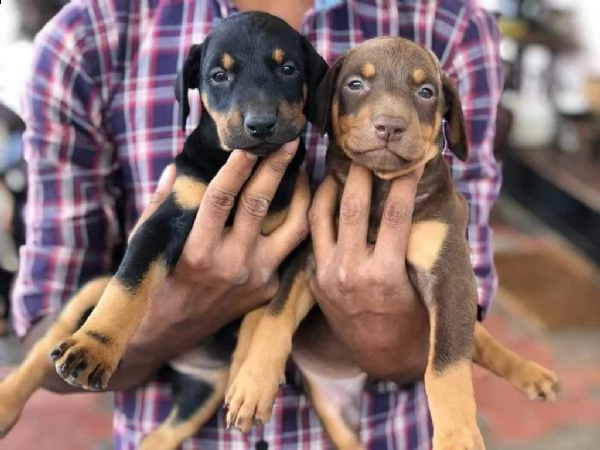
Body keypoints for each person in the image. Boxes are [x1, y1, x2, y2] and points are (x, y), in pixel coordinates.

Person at [12, 0, 503, 448]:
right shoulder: (85, 36)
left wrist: (360, 314)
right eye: (221, 80)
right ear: (193, 92)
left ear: (315, 94)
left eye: (287, 72)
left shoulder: (454, 26)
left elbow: (462, 306)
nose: (258, 113)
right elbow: (50, 340)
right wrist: (173, 314)